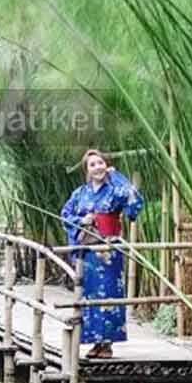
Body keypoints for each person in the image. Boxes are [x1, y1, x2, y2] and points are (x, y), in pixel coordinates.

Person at [60, 148, 145, 359]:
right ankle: (95, 343)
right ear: (87, 170)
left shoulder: (115, 189)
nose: (97, 167)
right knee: (89, 295)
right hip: (89, 253)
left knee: (109, 294)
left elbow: (134, 201)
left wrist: (116, 176)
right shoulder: (80, 193)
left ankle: (107, 344)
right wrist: (82, 220)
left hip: (109, 251)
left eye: (101, 163)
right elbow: (65, 215)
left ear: (106, 166)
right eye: (93, 164)